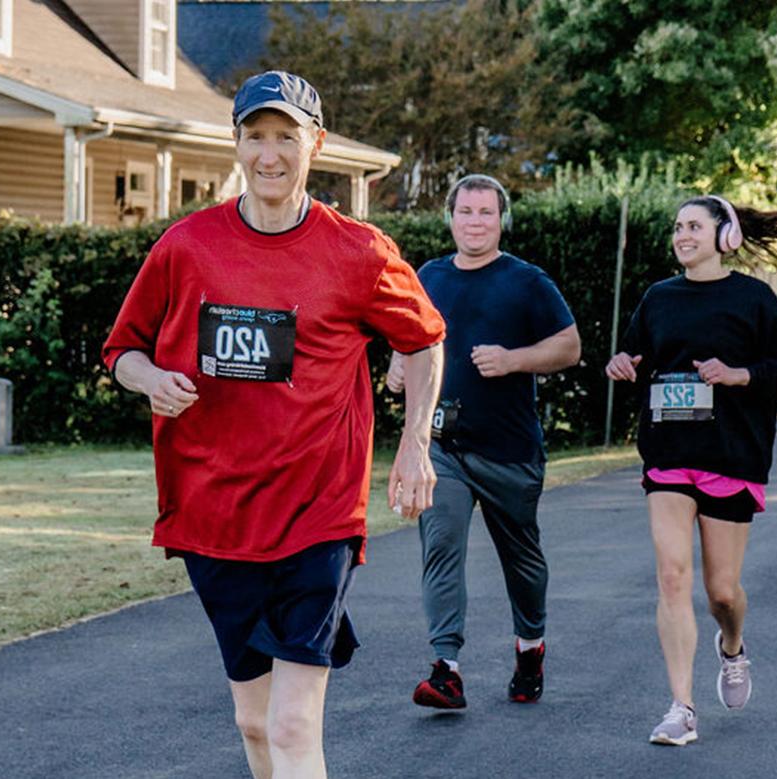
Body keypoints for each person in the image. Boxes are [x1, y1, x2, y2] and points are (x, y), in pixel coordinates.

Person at [102, 71, 445, 779]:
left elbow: (423, 339)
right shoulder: (186, 246)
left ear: (314, 144)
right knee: (254, 722)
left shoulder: (359, 252)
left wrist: (415, 446)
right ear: (235, 144)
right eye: (255, 136)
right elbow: (122, 349)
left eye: (285, 136)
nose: (269, 155)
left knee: (292, 724)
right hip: (214, 510)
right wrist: (150, 379)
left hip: (317, 513)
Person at [605, 195, 777, 747]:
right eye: (677, 226)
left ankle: (733, 646)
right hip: (669, 453)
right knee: (672, 576)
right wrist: (620, 364)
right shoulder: (658, 298)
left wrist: (738, 375)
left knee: (721, 591)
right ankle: (681, 708)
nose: (682, 234)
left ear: (727, 237)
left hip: (732, 455)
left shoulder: (754, 299)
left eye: (695, 225)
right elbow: (632, 357)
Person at [384, 174, 581, 710]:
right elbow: (411, 336)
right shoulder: (428, 276)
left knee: (522, 561)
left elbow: (569, 347)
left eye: (485, 213)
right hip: (443, 448)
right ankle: (445, 668)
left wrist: (514, 360)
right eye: (465, 212)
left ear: (501, 220)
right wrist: (398, 366)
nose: (474, 222)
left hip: (509, 451)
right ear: (450, 217)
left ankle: (530, 646)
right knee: (441, 545)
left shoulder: (527, 281)